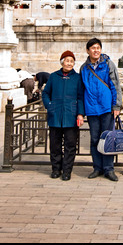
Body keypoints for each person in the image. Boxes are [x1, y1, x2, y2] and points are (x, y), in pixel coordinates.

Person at [80, 38, 122, 182]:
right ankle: (97, 167)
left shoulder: (108, 64)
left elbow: (115, 85)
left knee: (108, 139)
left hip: (106, 108)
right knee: (94, 139)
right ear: (88, 51)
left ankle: (109, 169)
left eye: (98, 47)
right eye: (93, 48)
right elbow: (81, 89)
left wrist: (116, 105)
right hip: (91, 109)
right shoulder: (84, 68)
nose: (96, 50)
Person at [42, 51, 84, 181]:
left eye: (72, 61)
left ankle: (67, 171)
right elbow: (45, 93)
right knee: (55, 144)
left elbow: (80, 97)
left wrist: (80, 114)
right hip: (55, 116)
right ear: (62, 62)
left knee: (70, 145)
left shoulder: (77, 78)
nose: (69, 63)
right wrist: (49, 105)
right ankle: (56, 169)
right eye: (67, 61)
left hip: (71, 116)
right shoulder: (54, 77)